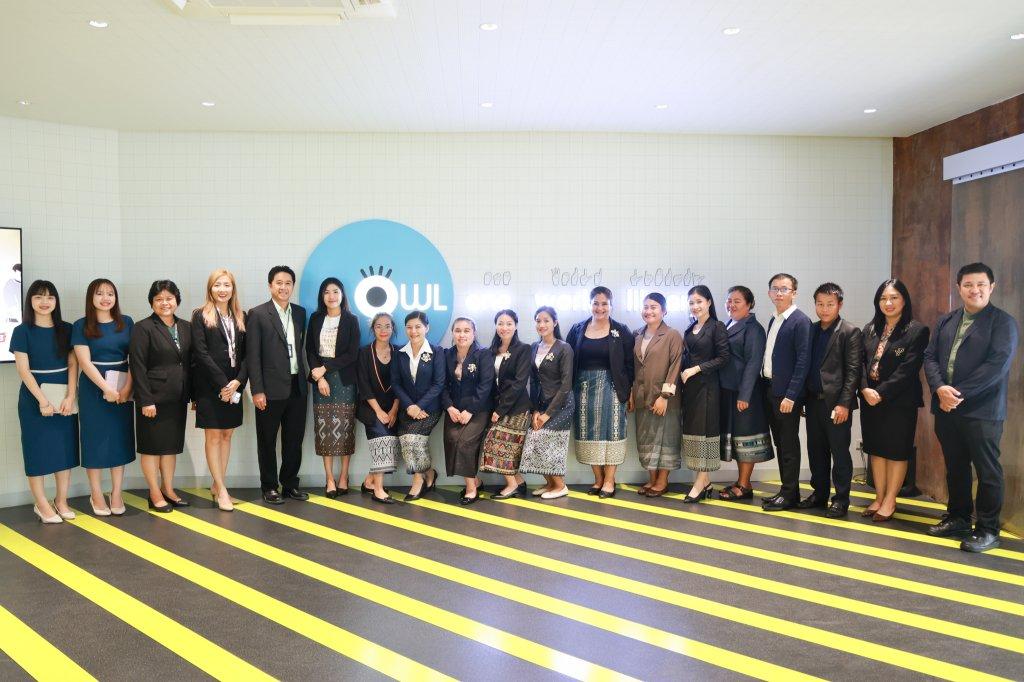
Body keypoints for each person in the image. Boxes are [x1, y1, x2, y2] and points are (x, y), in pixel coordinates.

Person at [923, 262, 1019, 553]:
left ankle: (988, 529)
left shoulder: (1002, 323)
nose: (974, 290)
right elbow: (930, 357)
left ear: (992, 287)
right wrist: (939, 388)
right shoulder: (947, 320)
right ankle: (959, 518)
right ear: (959, 288)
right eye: (968, 285)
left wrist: (956, 394)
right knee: (955, 466)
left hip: (982, 411)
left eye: (980, 284)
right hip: (946, 409)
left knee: (987, 471)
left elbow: (996, 367)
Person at [859, 278, 929, 521]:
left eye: (893, 298)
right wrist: (865, 389)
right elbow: (860, 363)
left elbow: (908, 369)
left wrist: (881, 392)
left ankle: (890, 500)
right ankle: (879, 497)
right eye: (883, 298)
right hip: (870, 399)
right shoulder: (870, 328)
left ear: (904, 300)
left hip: (899, 401)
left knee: (897, 451)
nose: (888, 303)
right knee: (876, 450)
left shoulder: (917, 331)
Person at [10, 280, 79, 523]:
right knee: (36, 451)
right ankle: (41, 504)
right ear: (30, 301)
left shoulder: (67, 329)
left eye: (50, 297)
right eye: (38, 297)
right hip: (33, 399)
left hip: (63, 397)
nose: (44, 302)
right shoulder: (22, 331)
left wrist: (70, 395)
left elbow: (73, 363)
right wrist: (42, 400)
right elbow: (23, 370)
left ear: (56, 301)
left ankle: (61, 501)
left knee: (64, 449)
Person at [799, 283, 862, 519]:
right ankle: (820, 494)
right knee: (816, 452)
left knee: (839, 453)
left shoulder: (849, 332)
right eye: (820, 304)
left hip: (836, 405)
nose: (824, 309)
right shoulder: (811, 329)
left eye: (830, 304)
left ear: (839, 305)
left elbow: (854, 371)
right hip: (813, 402)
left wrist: (844, 404)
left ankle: (841, 499)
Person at [72, 278, 134, 517]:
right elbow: (84, 362)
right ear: (91, 297)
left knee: (119, 439)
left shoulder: (126, 322)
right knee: (94, 440)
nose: (105, 298)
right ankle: (96, 493)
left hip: (122, 386)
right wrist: (105, 388)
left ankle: (117, 492)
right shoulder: (81, 325)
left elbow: (135, 357)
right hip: (93, 388)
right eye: (100, 293)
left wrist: (127, 387)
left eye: (110, 293)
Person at [247, 266, 309, 505]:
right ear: (270, 286)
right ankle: (270, 486)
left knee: (294, 440)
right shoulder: (258, 314)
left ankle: (290, 484)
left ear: (293, 286)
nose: (284, 287)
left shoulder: (300, 313)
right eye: (279, 283)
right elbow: (253, 356)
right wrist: (257, 390)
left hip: (297, 386)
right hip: (269, 389)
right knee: (267, 441)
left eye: (288, 283)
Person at [129, 280, 192, 513]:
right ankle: (154, 493)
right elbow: (137, 366)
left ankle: (168, 489)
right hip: (153, 400)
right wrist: (146, 399)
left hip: (178, 397)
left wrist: (192, 395)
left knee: (170, 448)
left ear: (177, 300)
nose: (165, 303)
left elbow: (190, 363)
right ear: (152, 303)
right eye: (159, 299)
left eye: (169, 298)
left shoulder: (186, 327)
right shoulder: (143, 327)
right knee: (152, 448)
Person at [566, 287, 635, 498]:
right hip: (583, 389)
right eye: (596, 303)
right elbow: (569, 361)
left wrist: (630, 390)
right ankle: (598, 478)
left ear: (611, 306)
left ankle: (610, 480)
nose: (600, 308)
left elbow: (630, 364)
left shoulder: (621, 331)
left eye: (604, 304)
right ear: (590, 304)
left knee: (613, 432)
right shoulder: (577, 329)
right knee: (588, 432)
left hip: (613, 388)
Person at [190, 269, 247, 512]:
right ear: (210, 289)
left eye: (227, 285)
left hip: (234, 386)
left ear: (233, 289)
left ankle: (217, 484)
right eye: (217, 285)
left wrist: (237, 382)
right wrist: (223, 384)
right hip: (210, 387)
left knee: (227, 436)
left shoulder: (241, 316)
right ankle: (222, 489)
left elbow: (247, 355)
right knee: (213, 437)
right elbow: (201, 354)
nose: (222, 289)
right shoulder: (200, 315)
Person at [760, 273, 812, 511]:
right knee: (781, 443)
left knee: (789, 444)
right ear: (769, 293)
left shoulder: (800, 321)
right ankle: (787, 490)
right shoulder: (775, 319)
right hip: (771, 390)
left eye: (784, 289)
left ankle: (790, 494)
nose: (779, 293)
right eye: (775, 289)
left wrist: (791, 395)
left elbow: (803, 362)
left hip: (787, 395)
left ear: (794, 293)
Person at [306, 277, 361, 497]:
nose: (331, 296)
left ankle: (343, 476)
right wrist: (319, 377)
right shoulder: (316, 318)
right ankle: (329, 478)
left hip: (344, 380)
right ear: (322, 296)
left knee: (345, 428)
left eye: (335, 291)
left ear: (342, 294)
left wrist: (325, 368)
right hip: (321, 380)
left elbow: (352, 354)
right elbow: (310, 350)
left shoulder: (351, 319)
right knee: (325, 429)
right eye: (327, 292)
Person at [718, 286, 773, 501]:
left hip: (744, 393)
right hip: (728, 390)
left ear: (749, 304)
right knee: (737, 438)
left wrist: (744, 395)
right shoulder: (728, 324)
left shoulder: (754, 329)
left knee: (746, 438)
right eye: (729, 301)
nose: (731, 305)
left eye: (737, 301)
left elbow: (753, 363)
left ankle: (743, 485)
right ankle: (743, 482)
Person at [679, 285, 729, 503]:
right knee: (694, 433)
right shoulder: (690, 328)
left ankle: (699, 483)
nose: (695, 306)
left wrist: (696, 369)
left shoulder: (717, 327)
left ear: (709, 302)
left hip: (708, 388)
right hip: (690, 389)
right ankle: (705, 482)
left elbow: (724, 358)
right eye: (691, 302)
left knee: (705, 432)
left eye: (699, 301)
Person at [520, 306, 574, 500]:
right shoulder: (534, 347)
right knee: (534, 440)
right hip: (541, 405)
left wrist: (547, 414)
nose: (541, 324)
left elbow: (566, 384)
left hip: (562, 405)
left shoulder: (564, 348)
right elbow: (533, 381)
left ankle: (560, 486)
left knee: (545, 440)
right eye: (538, 321)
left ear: (555, 323)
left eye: (546, 320)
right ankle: (550, 483)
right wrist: (535, 410)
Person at [631, 293, 683, 497]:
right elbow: (634, 367)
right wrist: (632, 392)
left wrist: (665, 396)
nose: (649, 311)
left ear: (664, 311)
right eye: (645, 307)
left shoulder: (672, 334)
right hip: (642, 396)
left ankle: (662, 481)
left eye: (653, 307)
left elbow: (676, 365)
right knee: (646, 437)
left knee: (666, 438)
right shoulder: (637, 334)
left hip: (664, 398)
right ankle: (652, 479)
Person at [440, 317, 494, 505]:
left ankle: (471, 489)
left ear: (474, 333)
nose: (461, 335)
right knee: (451, 439)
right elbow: (441, 385)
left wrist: (470, 410)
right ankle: (475, 481)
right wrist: (449, 407)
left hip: (478, 409)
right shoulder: (447, 354)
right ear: (452, 333)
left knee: (464, 443)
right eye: (457, 330)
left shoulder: (483, 354)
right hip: (454, 409)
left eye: (466, 330)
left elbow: (485, 386)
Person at [480, 309, 532, 499]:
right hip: (497, 406)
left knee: (499, 445)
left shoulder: (523, 349)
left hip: (516, 408)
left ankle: (511, 485)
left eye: (509, 323)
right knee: (506, 446)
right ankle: (519, 483)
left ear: (516, 326)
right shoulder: (491, 351)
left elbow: (519, 383)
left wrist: (500, 410)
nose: (504, 327)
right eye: (500, 323)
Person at [393, 311, 445, 501]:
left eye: (418, 327)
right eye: (409, 327)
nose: (413, 331)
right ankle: (429, 472)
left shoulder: (437, 352)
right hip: (407, 410)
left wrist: (419, 406)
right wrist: (410, 406)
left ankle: (417, 480)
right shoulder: (399, 353)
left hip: (430, 409)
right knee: (406, 439)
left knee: (412, 440)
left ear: (426, 328)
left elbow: (439, 384)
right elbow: (395, 383)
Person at [355, 312, 400, 504]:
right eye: (379, 326)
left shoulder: (399, 352)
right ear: (373, 329)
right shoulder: (364, 353)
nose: (383, 330)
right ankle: (378, 490)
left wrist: (394, 411)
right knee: (383, 440)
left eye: (387, 326)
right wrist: (379, 411)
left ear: (393, 329)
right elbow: (363, 385)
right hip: (369, 407)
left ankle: (369, 482)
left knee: (392, 442)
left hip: (394, 407)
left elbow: (402, 385)